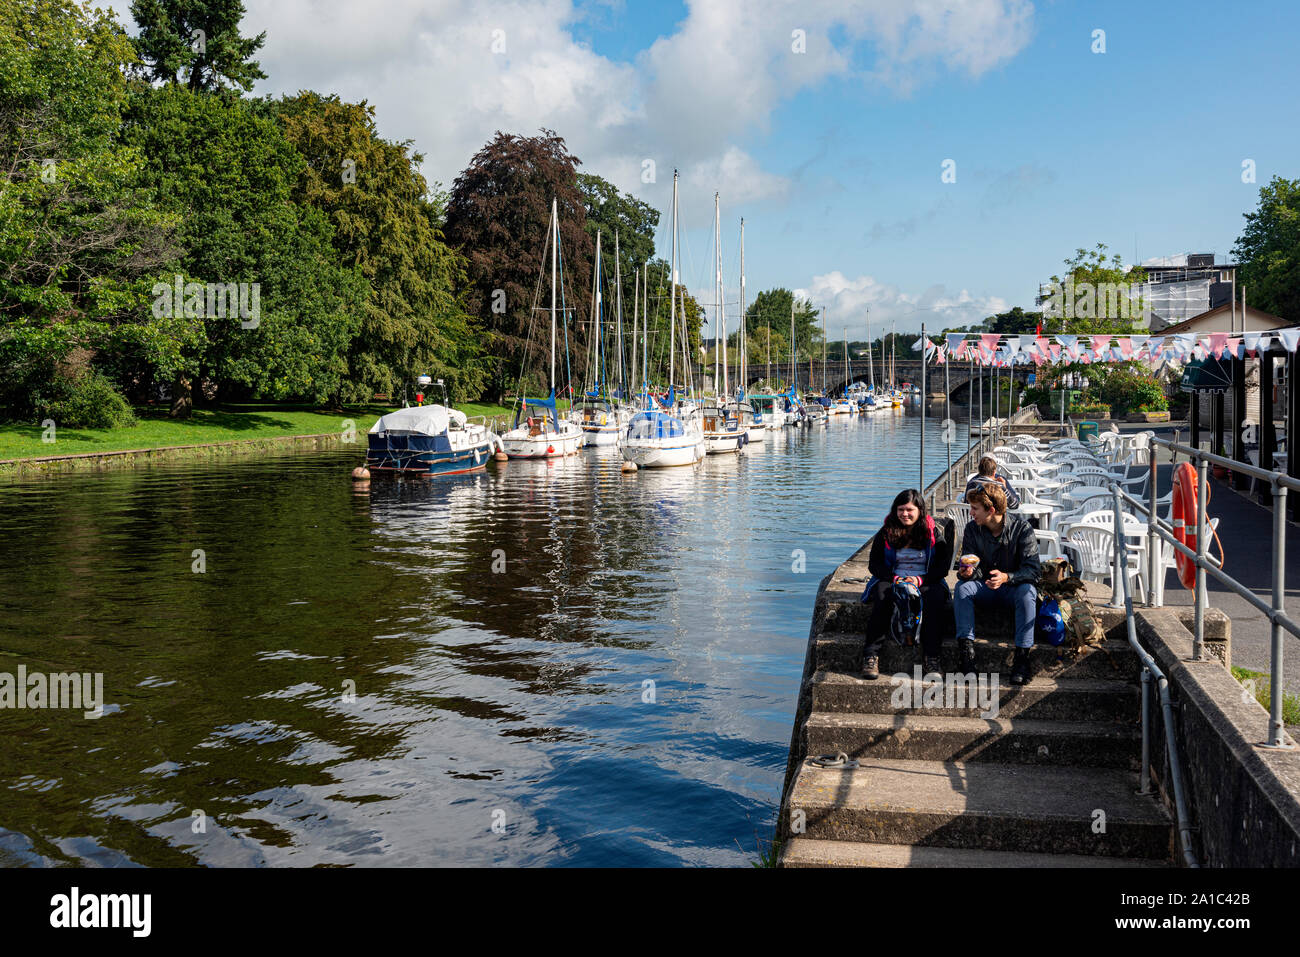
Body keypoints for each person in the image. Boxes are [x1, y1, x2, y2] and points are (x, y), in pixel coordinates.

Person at [860, 489, 954, 681]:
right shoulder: (886, 532)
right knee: (882, 596)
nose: (904, 514)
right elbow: (874, 564)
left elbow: (942, 566)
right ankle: (871, 655)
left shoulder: (933, 532)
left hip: (925, 579)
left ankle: (932, 657)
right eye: (900, 509)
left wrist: (920, 580)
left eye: (909, 510)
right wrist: (894, 578)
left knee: (934, 600)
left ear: (920, 510)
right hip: (893, 578)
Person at [953, 483, 1041, 684]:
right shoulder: (972, 529)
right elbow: (970, 562)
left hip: (1012, 589)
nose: (971, 513)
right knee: (962, 588)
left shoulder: (1022, 529)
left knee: (1028, 591)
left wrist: (1007, 577)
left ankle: (1022, 658)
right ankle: (967, 656)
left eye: (975, 509)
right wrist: (967, 573)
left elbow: (1033, 570)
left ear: (991, 510)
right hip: (984, 587)